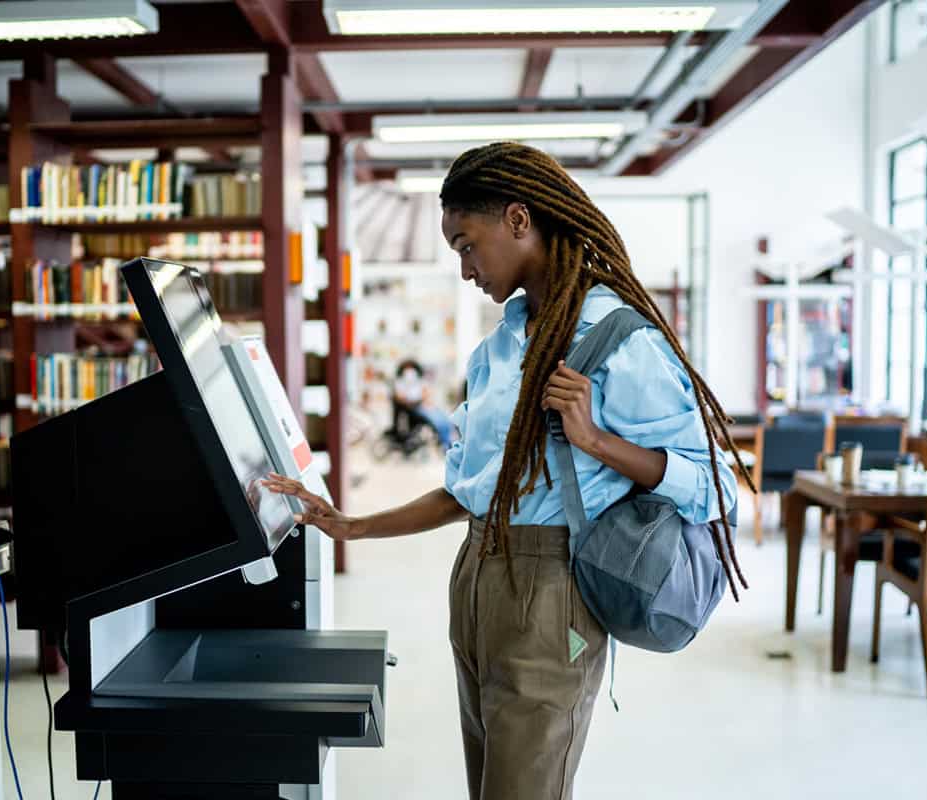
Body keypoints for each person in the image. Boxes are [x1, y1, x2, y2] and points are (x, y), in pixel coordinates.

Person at [264, 142, 748, 800]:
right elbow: (471, 494)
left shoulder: (617, 337)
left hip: (554, 595)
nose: (465, 269)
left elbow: (711, 480)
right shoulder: (499, 349)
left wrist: (597, 440)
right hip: (476, 581)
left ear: (518, 220)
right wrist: (353, 526)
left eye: (467, 244)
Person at [392, 358, 455, 450]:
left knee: (445, 420)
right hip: (414, 409)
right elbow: (400, 397)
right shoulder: (399, 383)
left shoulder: (420, 381)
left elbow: (426, 394)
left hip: (425, 406)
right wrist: (412, 399)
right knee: (438, 422)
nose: (410, 371)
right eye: (407, 368)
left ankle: (448, 442)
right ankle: (445, 445)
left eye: (411, 368)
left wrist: (426, 400)